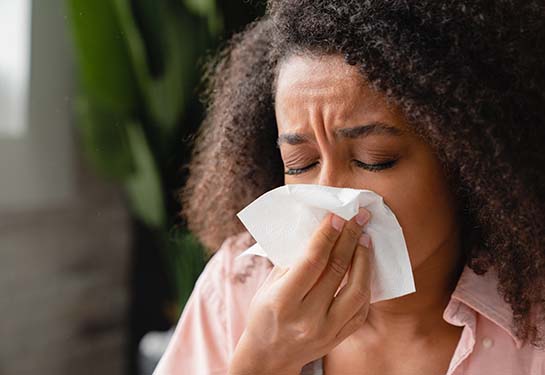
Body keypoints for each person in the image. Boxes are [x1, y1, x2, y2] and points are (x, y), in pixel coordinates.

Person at [154, 1, 545, 374]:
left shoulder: (534, 323)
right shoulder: (239, 284)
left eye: (375, 159)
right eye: (300, 164)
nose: (330, 199)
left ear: (465, 159)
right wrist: (262, 365)